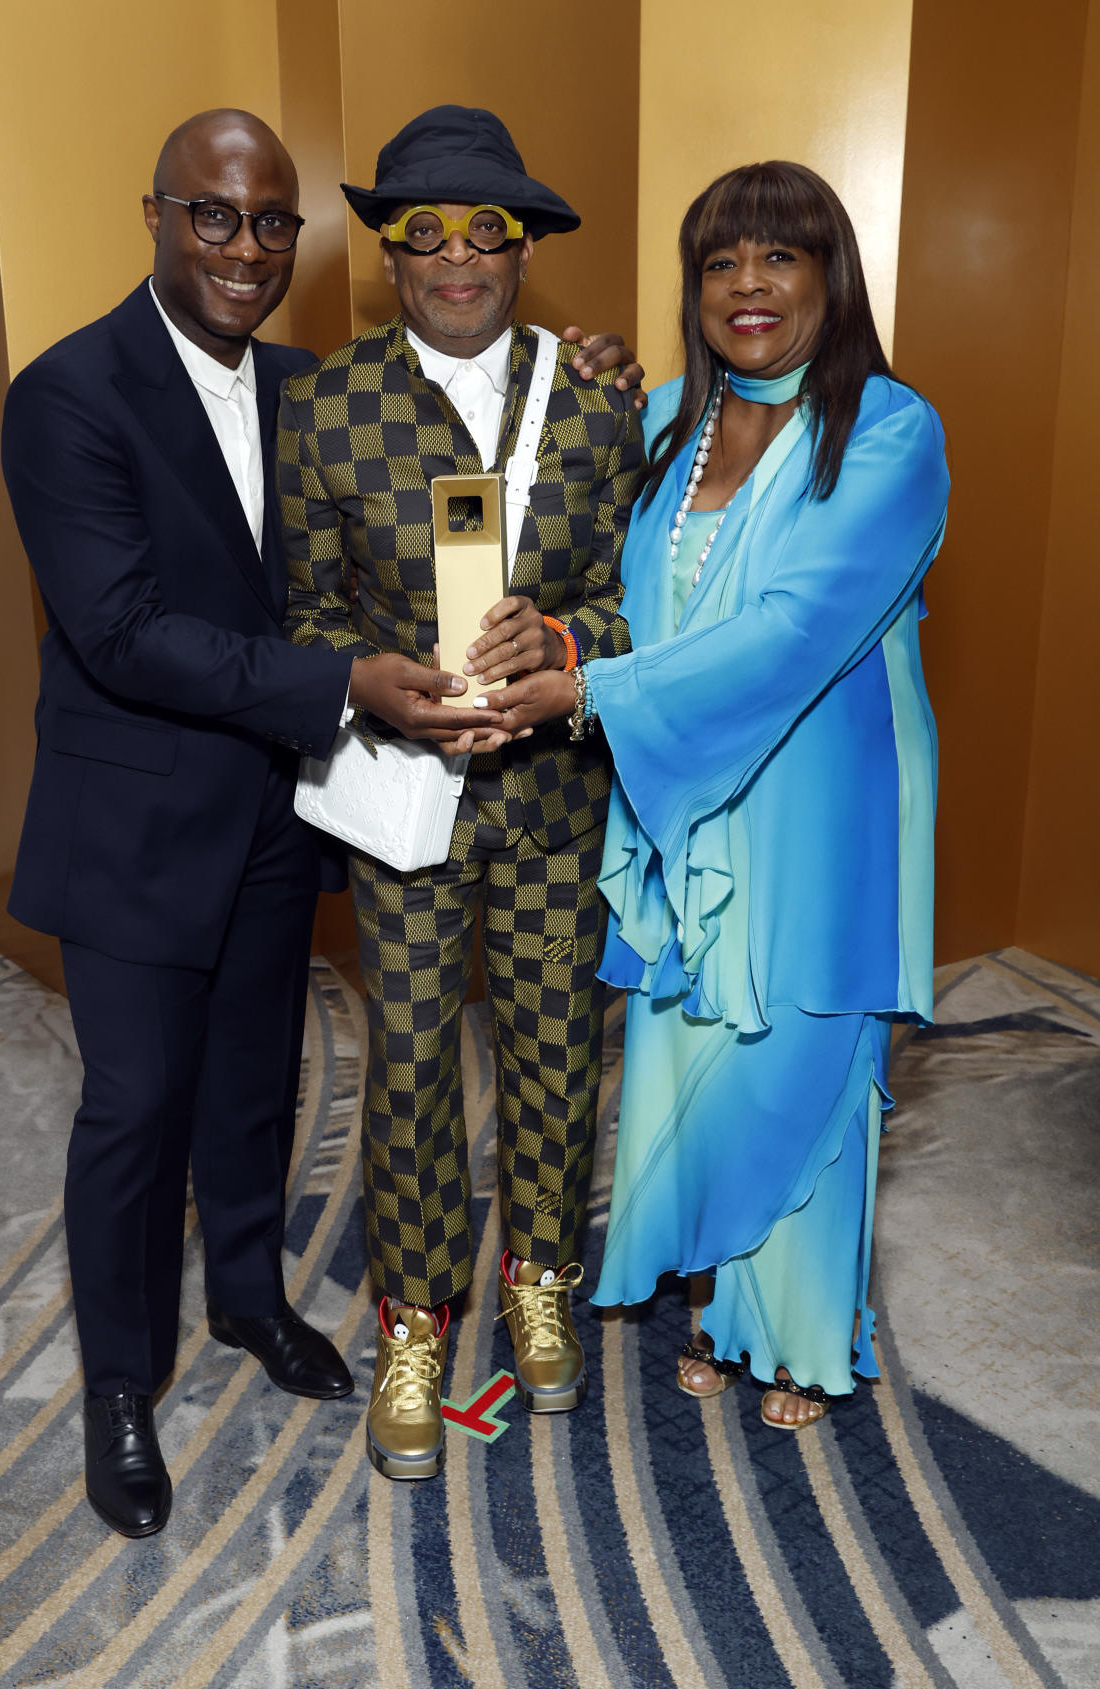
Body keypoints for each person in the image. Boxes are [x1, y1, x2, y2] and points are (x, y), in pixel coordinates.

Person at [1, 108, 641, 1536]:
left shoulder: (304, 385)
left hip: (292, 809)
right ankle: (121, 1387)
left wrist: (602, 369)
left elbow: (577, 524)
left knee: (256, 1088)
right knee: (130, 1109)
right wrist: (350, 680)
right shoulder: (71, 392)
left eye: (269, 224)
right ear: (158, 213)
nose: (243, 246)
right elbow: (121, 630)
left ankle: (250, 1301)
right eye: (214, 217)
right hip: (156, 814)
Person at [489, 161, 949, 1430]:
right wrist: (583, 398)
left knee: (799, 1054)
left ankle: (799, 1332)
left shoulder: (893, 432)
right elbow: (624, 609)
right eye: (719, 262)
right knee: (694, 1046)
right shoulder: (664, 434)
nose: (747, 285)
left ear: (828, 278)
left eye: (780, 257)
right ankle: (716, 1289)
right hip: (683, 791)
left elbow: (800, 632)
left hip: (821, 805)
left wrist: (587, 702)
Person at [280, 105, 644, 1480]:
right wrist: (371, 673)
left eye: (482, 229)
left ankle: (538, 1275)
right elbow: (305, 610)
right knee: (415, 1060)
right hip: (410, 800)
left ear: (524, 246)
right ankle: (414, 1316)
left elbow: (638, 601)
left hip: (558, 796)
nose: (452, 256)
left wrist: (564, 645)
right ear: (384, 250)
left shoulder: (602, 406)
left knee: (559, 1045)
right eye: (420, 228)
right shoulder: (326, 406)